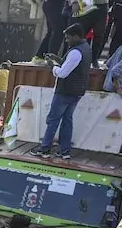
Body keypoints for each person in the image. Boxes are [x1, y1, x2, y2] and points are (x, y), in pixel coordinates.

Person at [31, 24, 91, 160]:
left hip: (65, 92)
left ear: (76, 36)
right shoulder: (86, 48)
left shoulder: (75, 52)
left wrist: (52, 66)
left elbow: (63, 73)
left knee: (52, 120)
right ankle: (64, 151)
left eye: (68, 38)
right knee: (67, 121)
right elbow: (72, 65)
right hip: (77, 92)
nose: (67, 40)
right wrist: (58, 59)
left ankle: (44, 149)